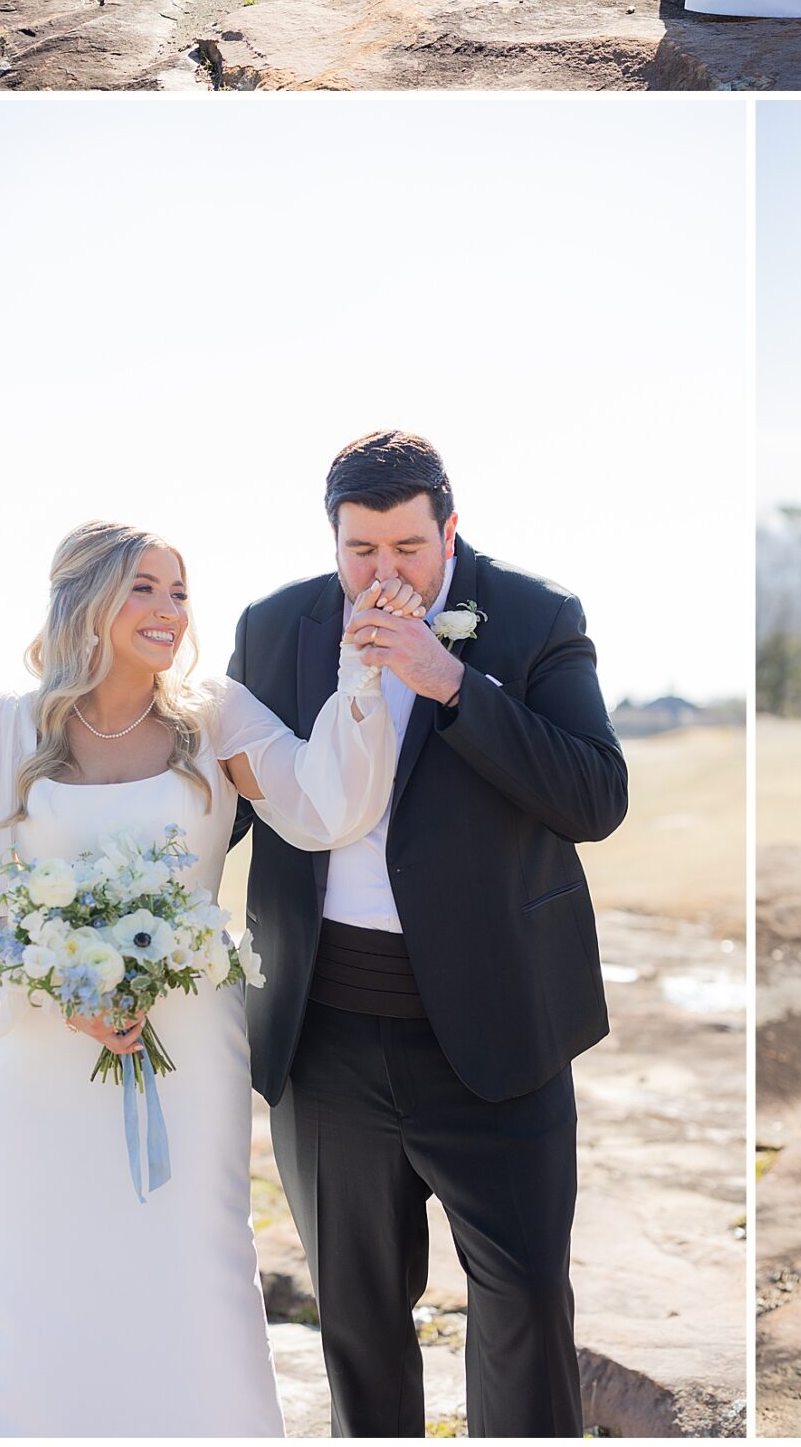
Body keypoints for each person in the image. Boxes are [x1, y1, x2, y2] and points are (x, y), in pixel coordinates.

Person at [0, 521, 398, 1437]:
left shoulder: (212, 714)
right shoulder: (7, 725)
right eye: (143, 588)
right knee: (45, 1254)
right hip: (45, 1051)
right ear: (86, 598)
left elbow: (322, 805)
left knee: (191, 1253)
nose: (167, 610)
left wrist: (362, 679)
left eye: (179, 592)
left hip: (189, 1042)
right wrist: (60, 994)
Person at [228, 429, 629, 1439]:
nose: (384, 574)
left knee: (527, 1300)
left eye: (408, 547)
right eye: (361, 550)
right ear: (334, 540)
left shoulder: (535, 615)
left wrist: (451, 681)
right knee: (357, 1316)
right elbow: (220, 803)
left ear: (450, 528)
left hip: (499, 1026)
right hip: (323, 1035)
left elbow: (594, 796)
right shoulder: (275, 627)